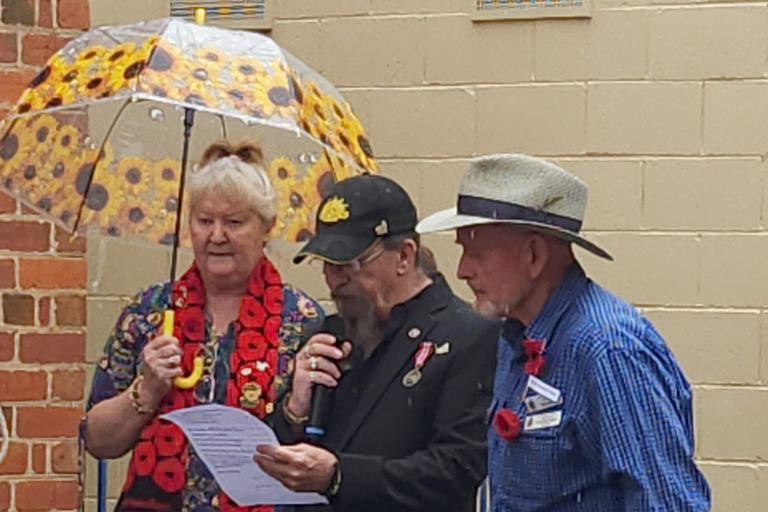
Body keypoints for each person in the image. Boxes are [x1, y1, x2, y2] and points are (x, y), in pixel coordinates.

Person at [416, 154, 711, 511]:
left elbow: (666, 503)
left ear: (534, 255)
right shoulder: (514, 338)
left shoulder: (607, 349)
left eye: (477, 253)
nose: (462, 270)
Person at [84, 141, 325, 512]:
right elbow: (98, 441)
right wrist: (146, 390)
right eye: (204, 220)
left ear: (267, 227)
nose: (216, 236)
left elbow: (320, 451)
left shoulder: (303, 321)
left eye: (234, 222)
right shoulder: (149, 311)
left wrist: (295, 409)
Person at [253, 175, 499, 512]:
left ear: (404, 256)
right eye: (326, 264)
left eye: (350, 264)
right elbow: (286, 457)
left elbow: (457, 469)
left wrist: (339, 478)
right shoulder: (330, 333)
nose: (334, 279)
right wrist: (295, 409)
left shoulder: (465, 336)